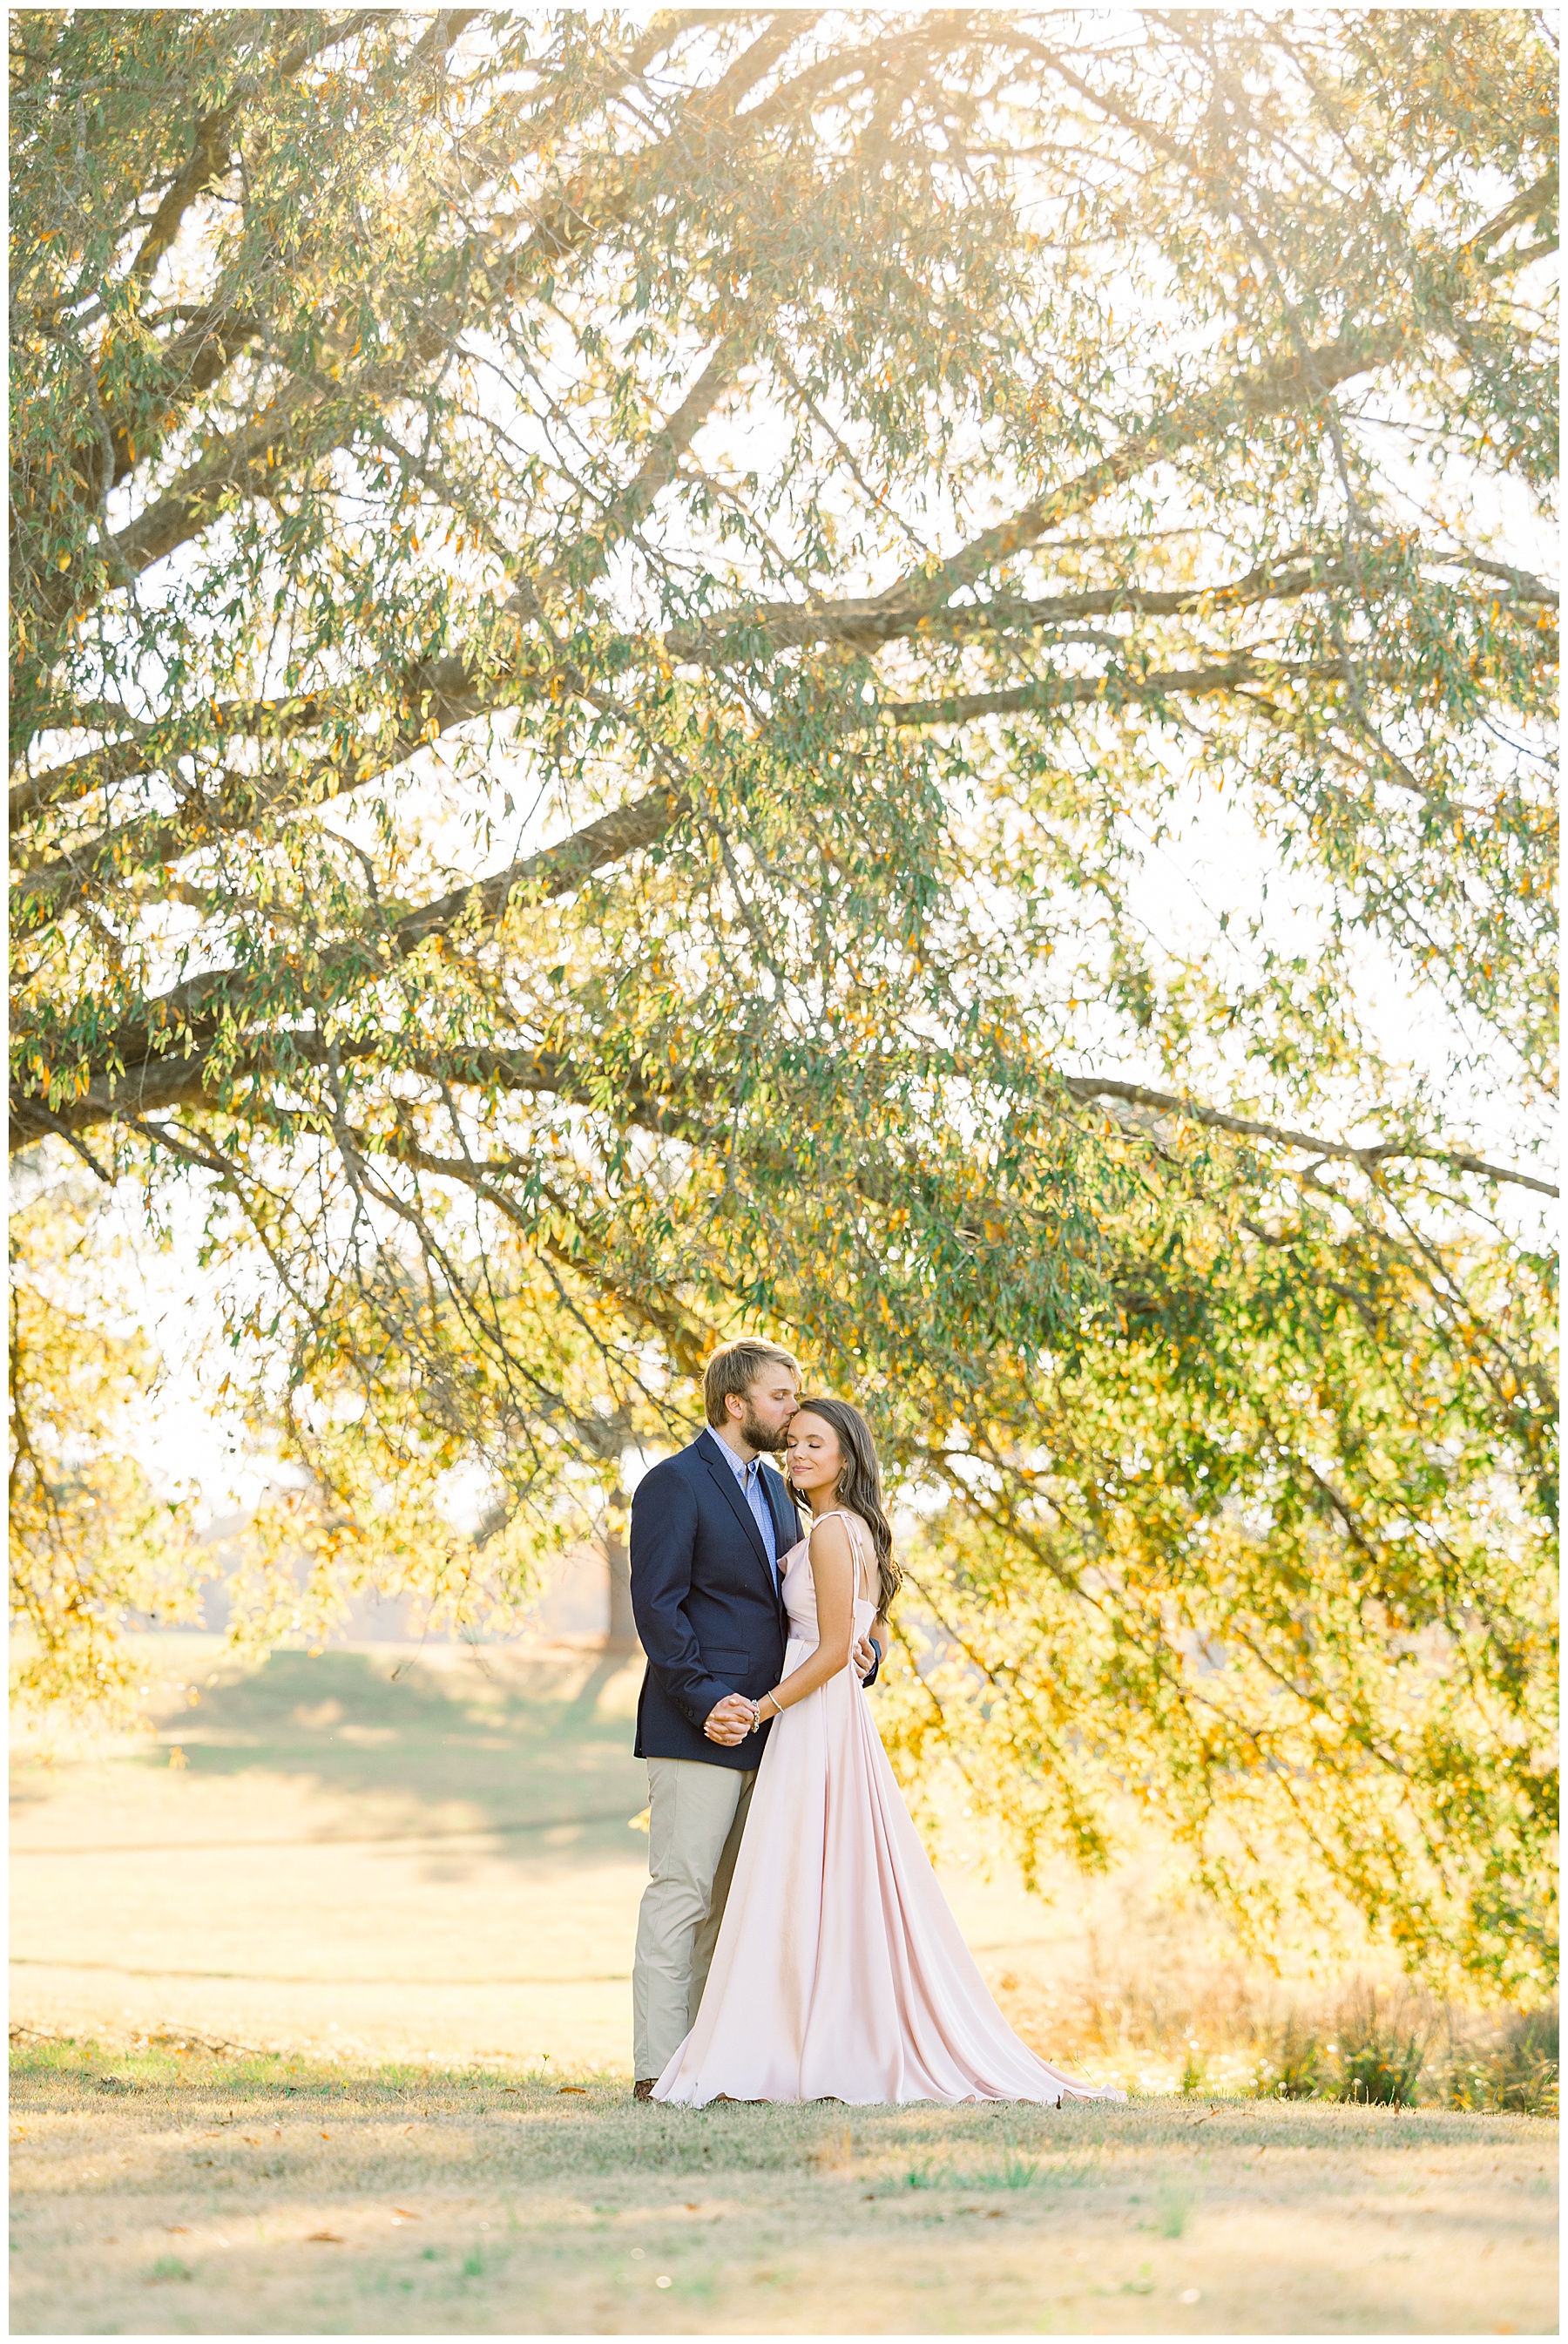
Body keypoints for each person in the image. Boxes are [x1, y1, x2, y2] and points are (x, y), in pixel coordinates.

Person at [652, 1397, 1125, 2108]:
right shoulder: (837, 1526)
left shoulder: (834, 1531)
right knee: (817, 1875)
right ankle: (803, 2029)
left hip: (811, 1717)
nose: (800, 1455)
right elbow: (854, 1639)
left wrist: (763, 1708)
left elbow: (840, 1647)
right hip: (824, 1715)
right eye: (795, 1444)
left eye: (816, 1444)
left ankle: (808, 2037)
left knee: (801, 1872)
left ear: (847, 1457)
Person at [628, 1340, 882, 2100]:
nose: (792, 1407)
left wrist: (861, 1654)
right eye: (779, 1396)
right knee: (682, 1893)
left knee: (741, 1907)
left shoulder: (782, 1494)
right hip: (698, 1727)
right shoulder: (673, 1483)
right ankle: (656, 2068)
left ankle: (717, 2065)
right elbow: (659, 1610)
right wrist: (710, 1704)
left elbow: (815, 1609)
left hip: (779, 1734)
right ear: (736, 1403)